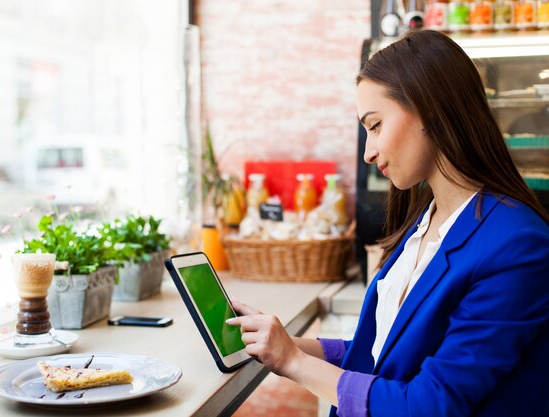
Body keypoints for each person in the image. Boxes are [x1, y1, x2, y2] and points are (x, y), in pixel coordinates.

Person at [227, 29, 549, 417]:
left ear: (430, 110)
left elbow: (431, 405)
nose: (368, 152)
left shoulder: (517, 246)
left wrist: (294, 362)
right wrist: (281, 344)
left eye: (376, 125)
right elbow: (382, 350)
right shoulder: (426, 224)